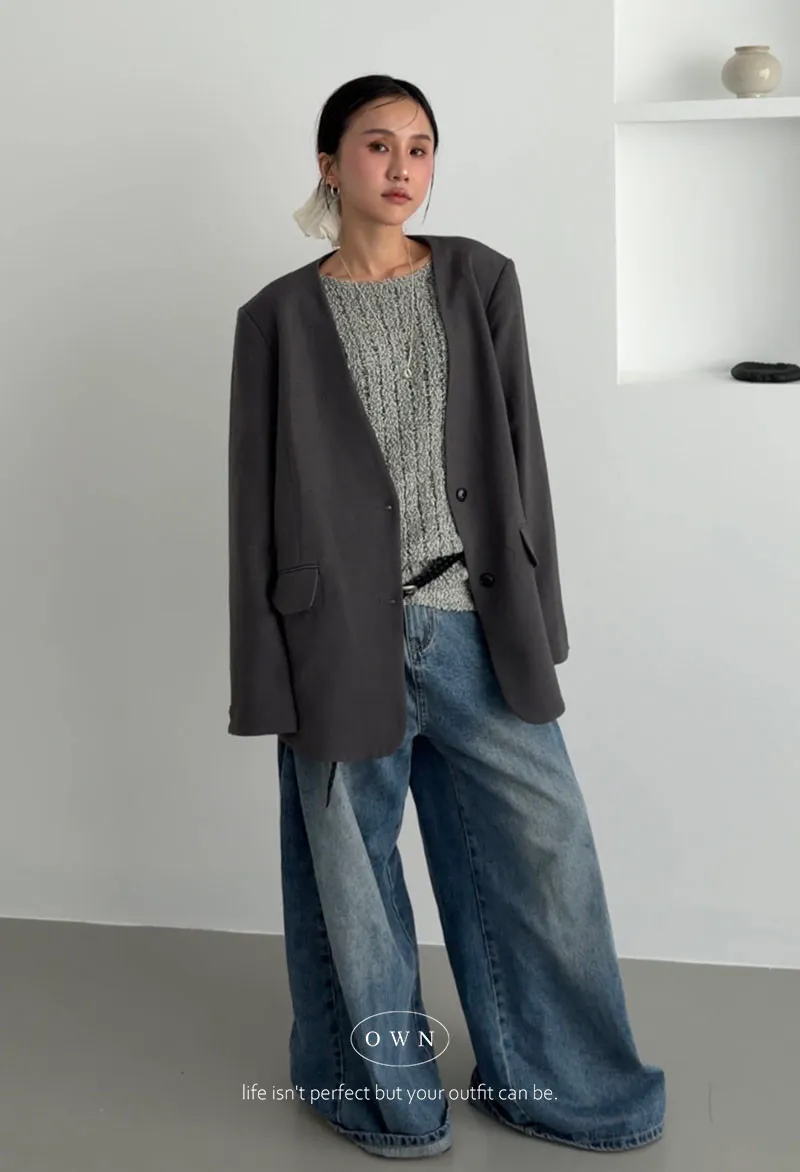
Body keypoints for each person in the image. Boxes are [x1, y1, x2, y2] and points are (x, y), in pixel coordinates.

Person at [227, 74, 666, 1159]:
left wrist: (539, 617)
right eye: (377, 145)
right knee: (353, 882)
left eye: (420, 147)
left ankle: (558, 1085)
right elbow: (252, 506)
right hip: (335, 638)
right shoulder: (275, 316)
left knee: (547, 855)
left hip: (473, 622)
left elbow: (522, 455)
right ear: (329, 164)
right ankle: (383, 1096)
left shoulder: (479, 279)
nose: (402, 167)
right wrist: (264, 675)